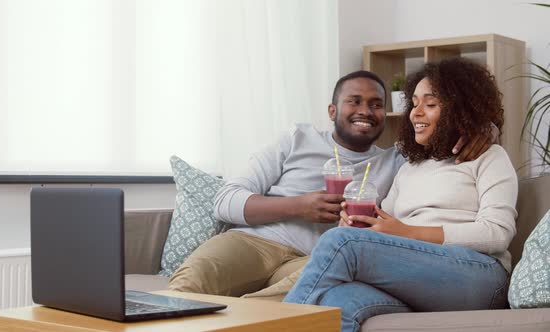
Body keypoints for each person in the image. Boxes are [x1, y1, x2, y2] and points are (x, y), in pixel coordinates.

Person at [168, 69, 496, 297]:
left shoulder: (396, 160)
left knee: (309, 295)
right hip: (254, 241)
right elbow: (225, 200)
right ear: (332, 109)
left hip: (314, 258)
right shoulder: (296, 139)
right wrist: (299, 205)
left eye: (376, 104)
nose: (365, 111)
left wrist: (486, 130)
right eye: (354, 101)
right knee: (191, 282)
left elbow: (445, 137)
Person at [283, 58, 517, 331]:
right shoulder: (409, 167)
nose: (416, 113)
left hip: (479, 277)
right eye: (414, 103)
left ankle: (272, 326)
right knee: (338, 302)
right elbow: (387, 230)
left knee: (340, 243)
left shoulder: (489, 156)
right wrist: (361, 227)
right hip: (419, 279)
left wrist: (407, 232)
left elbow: (497, 233)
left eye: (430, 104)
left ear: (460, 108)